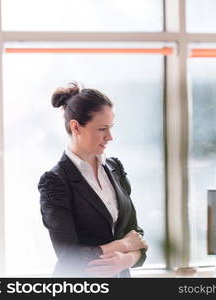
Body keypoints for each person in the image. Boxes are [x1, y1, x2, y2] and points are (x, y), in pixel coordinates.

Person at [38, 83, 147, 277]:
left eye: (111, 128)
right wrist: (122, 245)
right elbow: (69, 257)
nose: (110, 137)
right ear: (76, 127)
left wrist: (125, 260)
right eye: (102, 129)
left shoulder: (115, 168)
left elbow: (136, 236)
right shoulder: (54, 181)